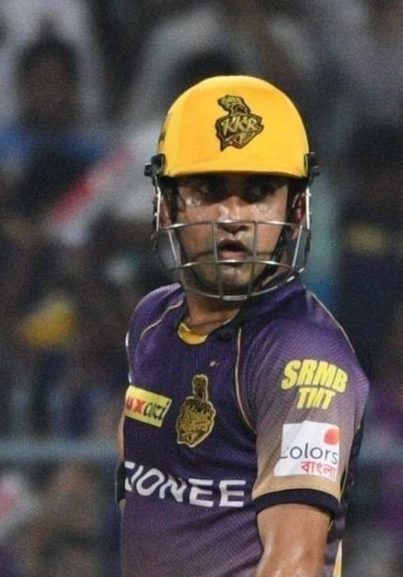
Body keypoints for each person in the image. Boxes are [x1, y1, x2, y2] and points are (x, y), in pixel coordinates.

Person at [116, 75, 369, 576]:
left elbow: (294, 564)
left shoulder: (302, 356)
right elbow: (141, 486)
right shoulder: (151, 321)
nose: (233, 216)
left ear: (296, 210)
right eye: (208, 190)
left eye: (258, 193)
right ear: (166, 203)